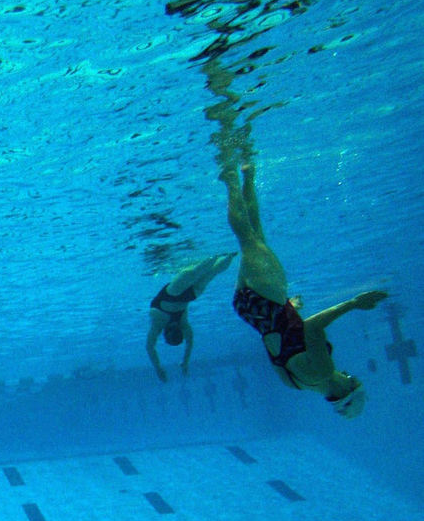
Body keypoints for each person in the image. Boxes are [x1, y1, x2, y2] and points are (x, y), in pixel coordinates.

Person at [222, 162, 387, 417]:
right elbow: (276, 339)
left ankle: (231, 177)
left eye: (351, 379)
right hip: (252, 310)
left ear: (344, 389)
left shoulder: (323, 371)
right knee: (256, 237)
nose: (347, 374)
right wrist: (290, 309)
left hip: (270, 301)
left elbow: (310, 329)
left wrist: (353, 303)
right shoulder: (296, 384)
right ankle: (247, 175)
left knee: (248, 239)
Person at [145, 252, 236, 381]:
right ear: (165, 333)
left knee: (211, 272)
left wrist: (185, 362)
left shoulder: (183, 325)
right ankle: (217, 255)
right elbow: (150, 347)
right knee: (196, 272)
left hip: (190, 296)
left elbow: (189, 342)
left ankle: (229, 256)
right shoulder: (159, 325)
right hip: (172, 295)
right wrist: (159, 368)